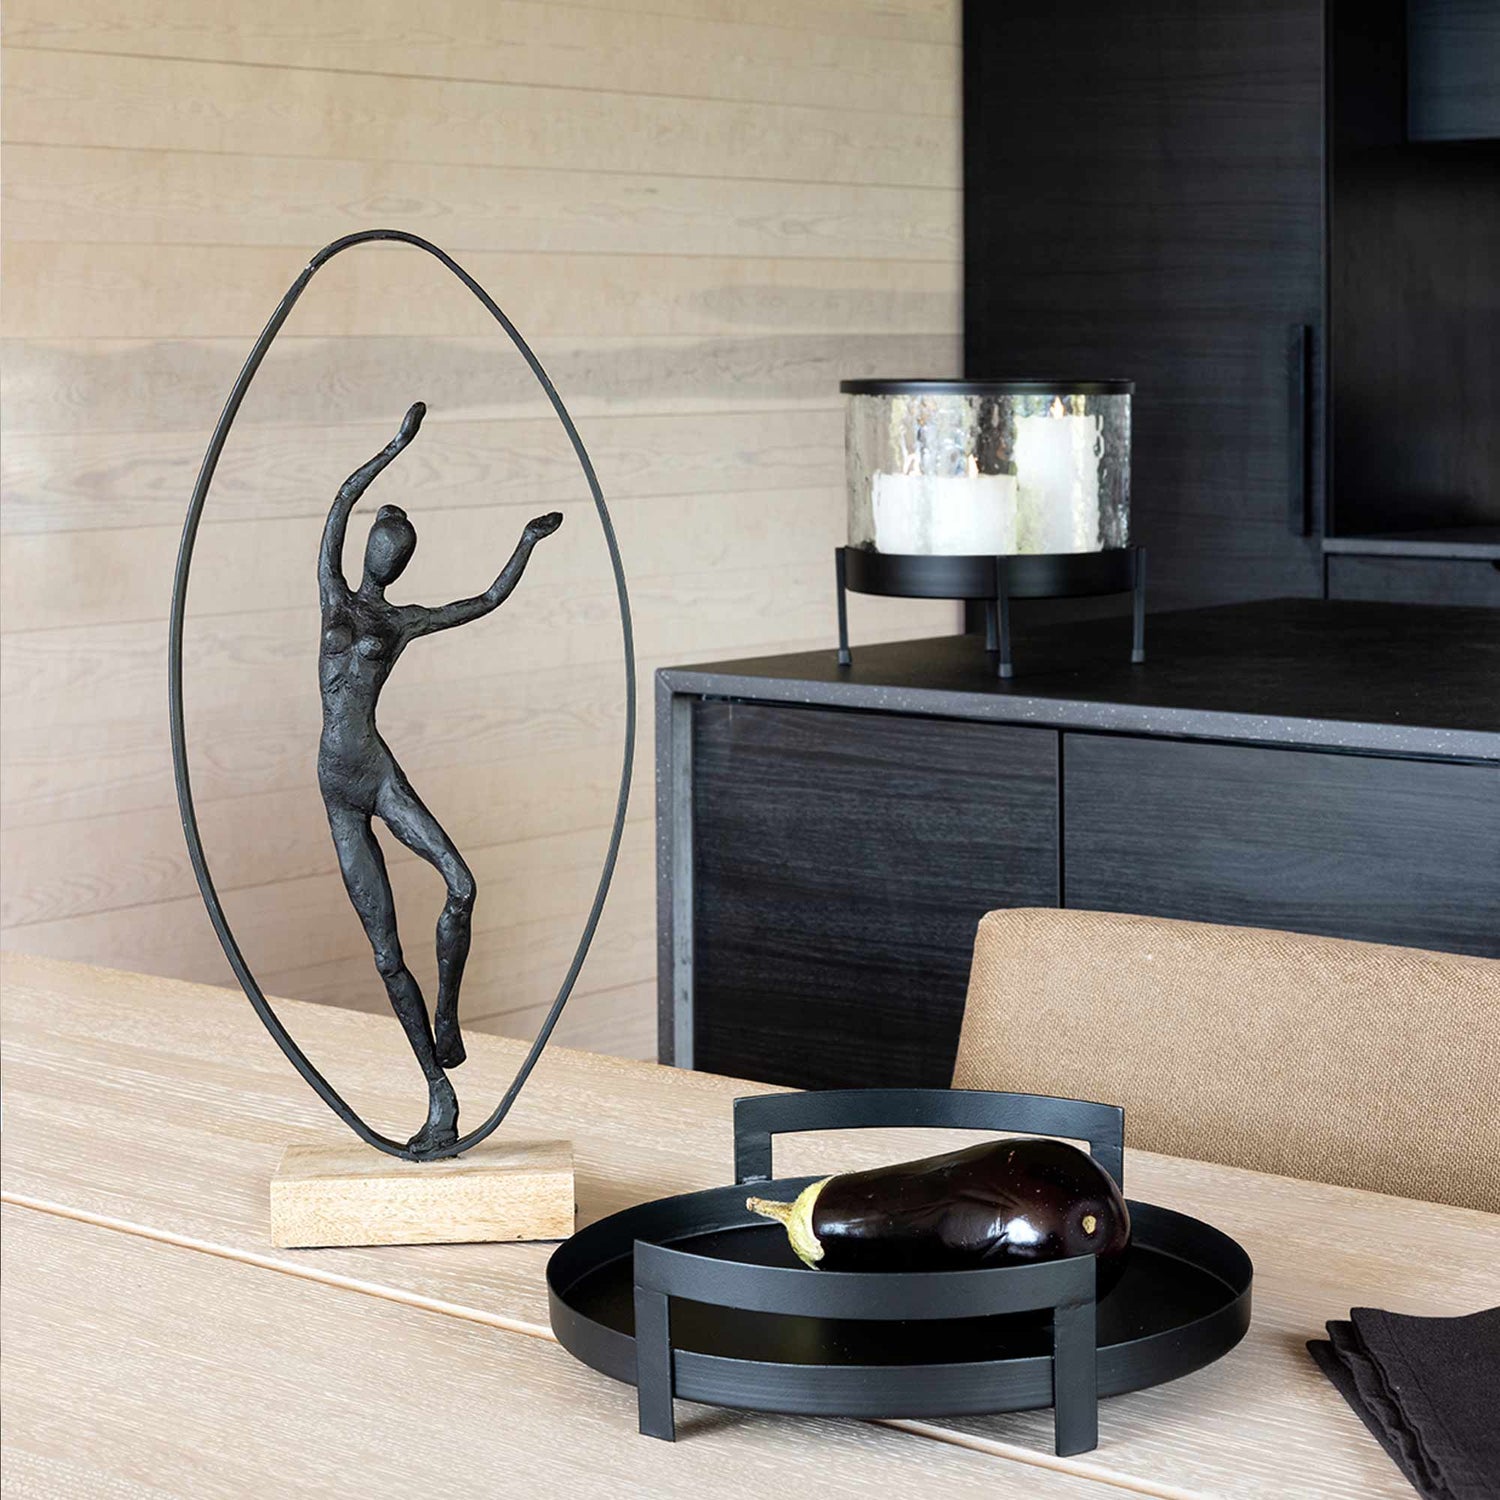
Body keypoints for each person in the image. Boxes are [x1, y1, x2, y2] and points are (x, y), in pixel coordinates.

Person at [316, 400, 561, 1154]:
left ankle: (449, 1014)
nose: (386, 558)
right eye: (383, 545)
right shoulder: (333, 595)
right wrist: (395, 444)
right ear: (371, 551)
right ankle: (436, 1087)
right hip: (338, 788)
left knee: (461, 884)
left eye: (398, 552)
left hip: (375, 769)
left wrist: (525, 543)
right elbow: (340, 501)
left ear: (401, 564)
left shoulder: (401, 622)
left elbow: (485, 601)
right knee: (386, 953)